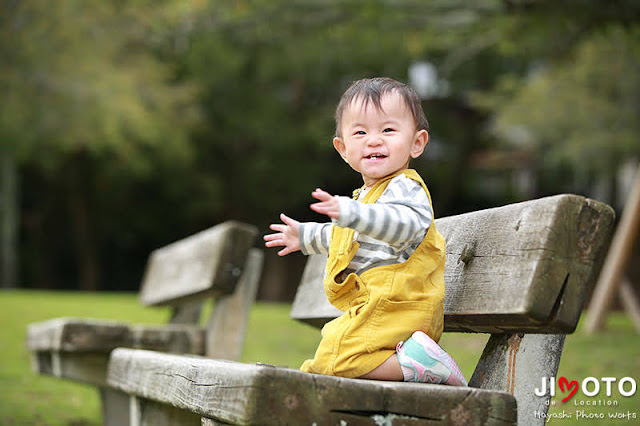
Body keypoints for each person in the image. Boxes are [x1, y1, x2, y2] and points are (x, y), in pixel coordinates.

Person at [264, 77, 467, 386]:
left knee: (336, 361)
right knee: (326, 358)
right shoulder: (366, 198)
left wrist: (352, 213)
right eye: (360, 132)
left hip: (400, 307)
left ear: (417, 142)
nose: (374, 140)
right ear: (344, 149)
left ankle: (420, 365)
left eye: (388, 130)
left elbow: (404, 226)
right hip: (378, 308)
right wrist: (305, 236)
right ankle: (413, 364)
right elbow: (347, 239)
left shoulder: (405, 188)